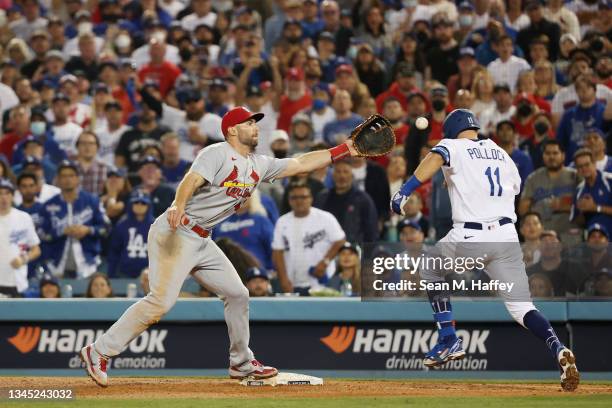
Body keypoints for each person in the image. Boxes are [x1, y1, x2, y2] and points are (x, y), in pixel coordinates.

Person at [80, 105, 362, 386]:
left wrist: (344, 150)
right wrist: (178, 204)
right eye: (249, 123)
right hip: (177, 230)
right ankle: (98, 351)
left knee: (238, 294)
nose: (255, 127)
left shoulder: (258, 163)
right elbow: (191, 180)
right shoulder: (216, 153)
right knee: (160, 302)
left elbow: (300, 163)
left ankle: (241, 363)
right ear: (232, 130)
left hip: (202, 238)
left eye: (255, 122)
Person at [390, 109, 579, 391]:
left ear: (452, 130)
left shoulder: (452, 145)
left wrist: (405, 190)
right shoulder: (501, 152)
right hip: (506, 236)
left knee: (430, 268)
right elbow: (509, 187)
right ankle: (558, 347)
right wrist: (460, 179)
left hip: (472, 234)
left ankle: (448, 338)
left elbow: (436, 156)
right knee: (521, 308)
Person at [38, 161, 110, 278]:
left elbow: (106, 228)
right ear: (57, 179)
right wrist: (61, 231)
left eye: (71, 176)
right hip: (55, 265)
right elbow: (41, 234)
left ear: (78, 179)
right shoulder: (48, 205)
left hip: (88, 264)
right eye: (64, 176)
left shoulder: (92, 201)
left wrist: (88, 230)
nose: (67, 179)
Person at [273, 181, 346, 295]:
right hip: (293, 283)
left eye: (303, 197)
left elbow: (340, 240)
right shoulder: (282, 222)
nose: (299, 201)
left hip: (322, 281)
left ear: (311, 198)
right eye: (295, 197)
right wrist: (283, 279)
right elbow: (278, 252)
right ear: (289, 200)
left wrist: (325, 262)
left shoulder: (325, 218)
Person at [519, 140, 580, 241]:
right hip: (542, 236)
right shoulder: (533, 178)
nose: (551, 157)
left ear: (563, 156)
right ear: (543, 156)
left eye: (555, 153)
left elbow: (584, 206)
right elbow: (522, 210)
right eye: (548, 153)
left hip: (570, 234)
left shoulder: (575, 176)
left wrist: (564, 206)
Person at [0, 178, 41, 297]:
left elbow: (36, 249)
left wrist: (24, 259)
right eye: (0, 193)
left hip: (17, 281)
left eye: (7, 193)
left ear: (13, 196)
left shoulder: (23, 218)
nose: (4, 198)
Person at [107, 191, 154, 278]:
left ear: (148, 206)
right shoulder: (121, 224)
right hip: (124, 273)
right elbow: (114, 251)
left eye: (143, 203)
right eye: (136, 202)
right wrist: (111, 274)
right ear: (131, 204)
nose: (139, 206)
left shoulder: (155, 225)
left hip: (150, 274)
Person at [571, 149, 612, 234]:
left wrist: (596, 208)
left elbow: (595, 208)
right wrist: (582, 211)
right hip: (593, 241)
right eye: (580, 166)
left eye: (587, 165)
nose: (584, 169)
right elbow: (577, 222)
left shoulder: (609, 180)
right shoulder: (579, 191)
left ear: (594, 163)